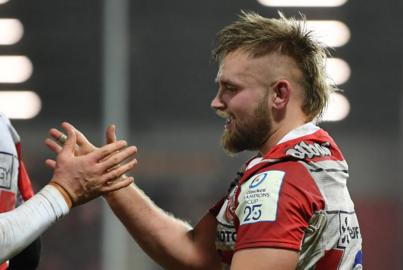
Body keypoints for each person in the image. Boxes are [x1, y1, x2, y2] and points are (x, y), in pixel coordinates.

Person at [50, 11, 363, 269]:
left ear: (279, 95)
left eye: (231, 88)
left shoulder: (277, 182)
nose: (217, 102)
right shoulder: (310, 162)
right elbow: (196, 253)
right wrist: (111, 181)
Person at [0, 114, 138, 266]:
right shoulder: (4, 127)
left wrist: (105, 179)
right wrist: (62, 192)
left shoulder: (5, 127)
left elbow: (29, 251)